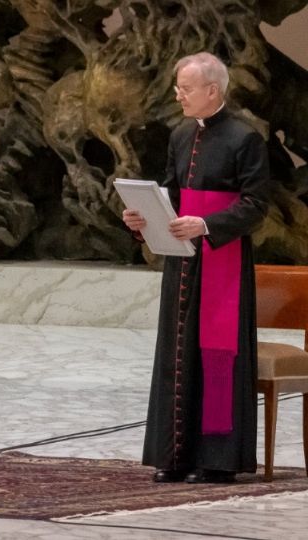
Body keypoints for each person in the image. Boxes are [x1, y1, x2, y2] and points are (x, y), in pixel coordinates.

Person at [123, 52, 269, 483]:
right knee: (177, 354)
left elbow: (257, 205)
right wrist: (142, 217)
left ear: (212, 90)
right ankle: (175, 456)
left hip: (222, 260)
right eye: (178, 87)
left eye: (185, 88)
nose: (178, 94)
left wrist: (206, 224)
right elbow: (170, 193)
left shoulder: (247, 139)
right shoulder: (180, 134)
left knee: (217, 357)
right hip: (182, 262)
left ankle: (218, 459)